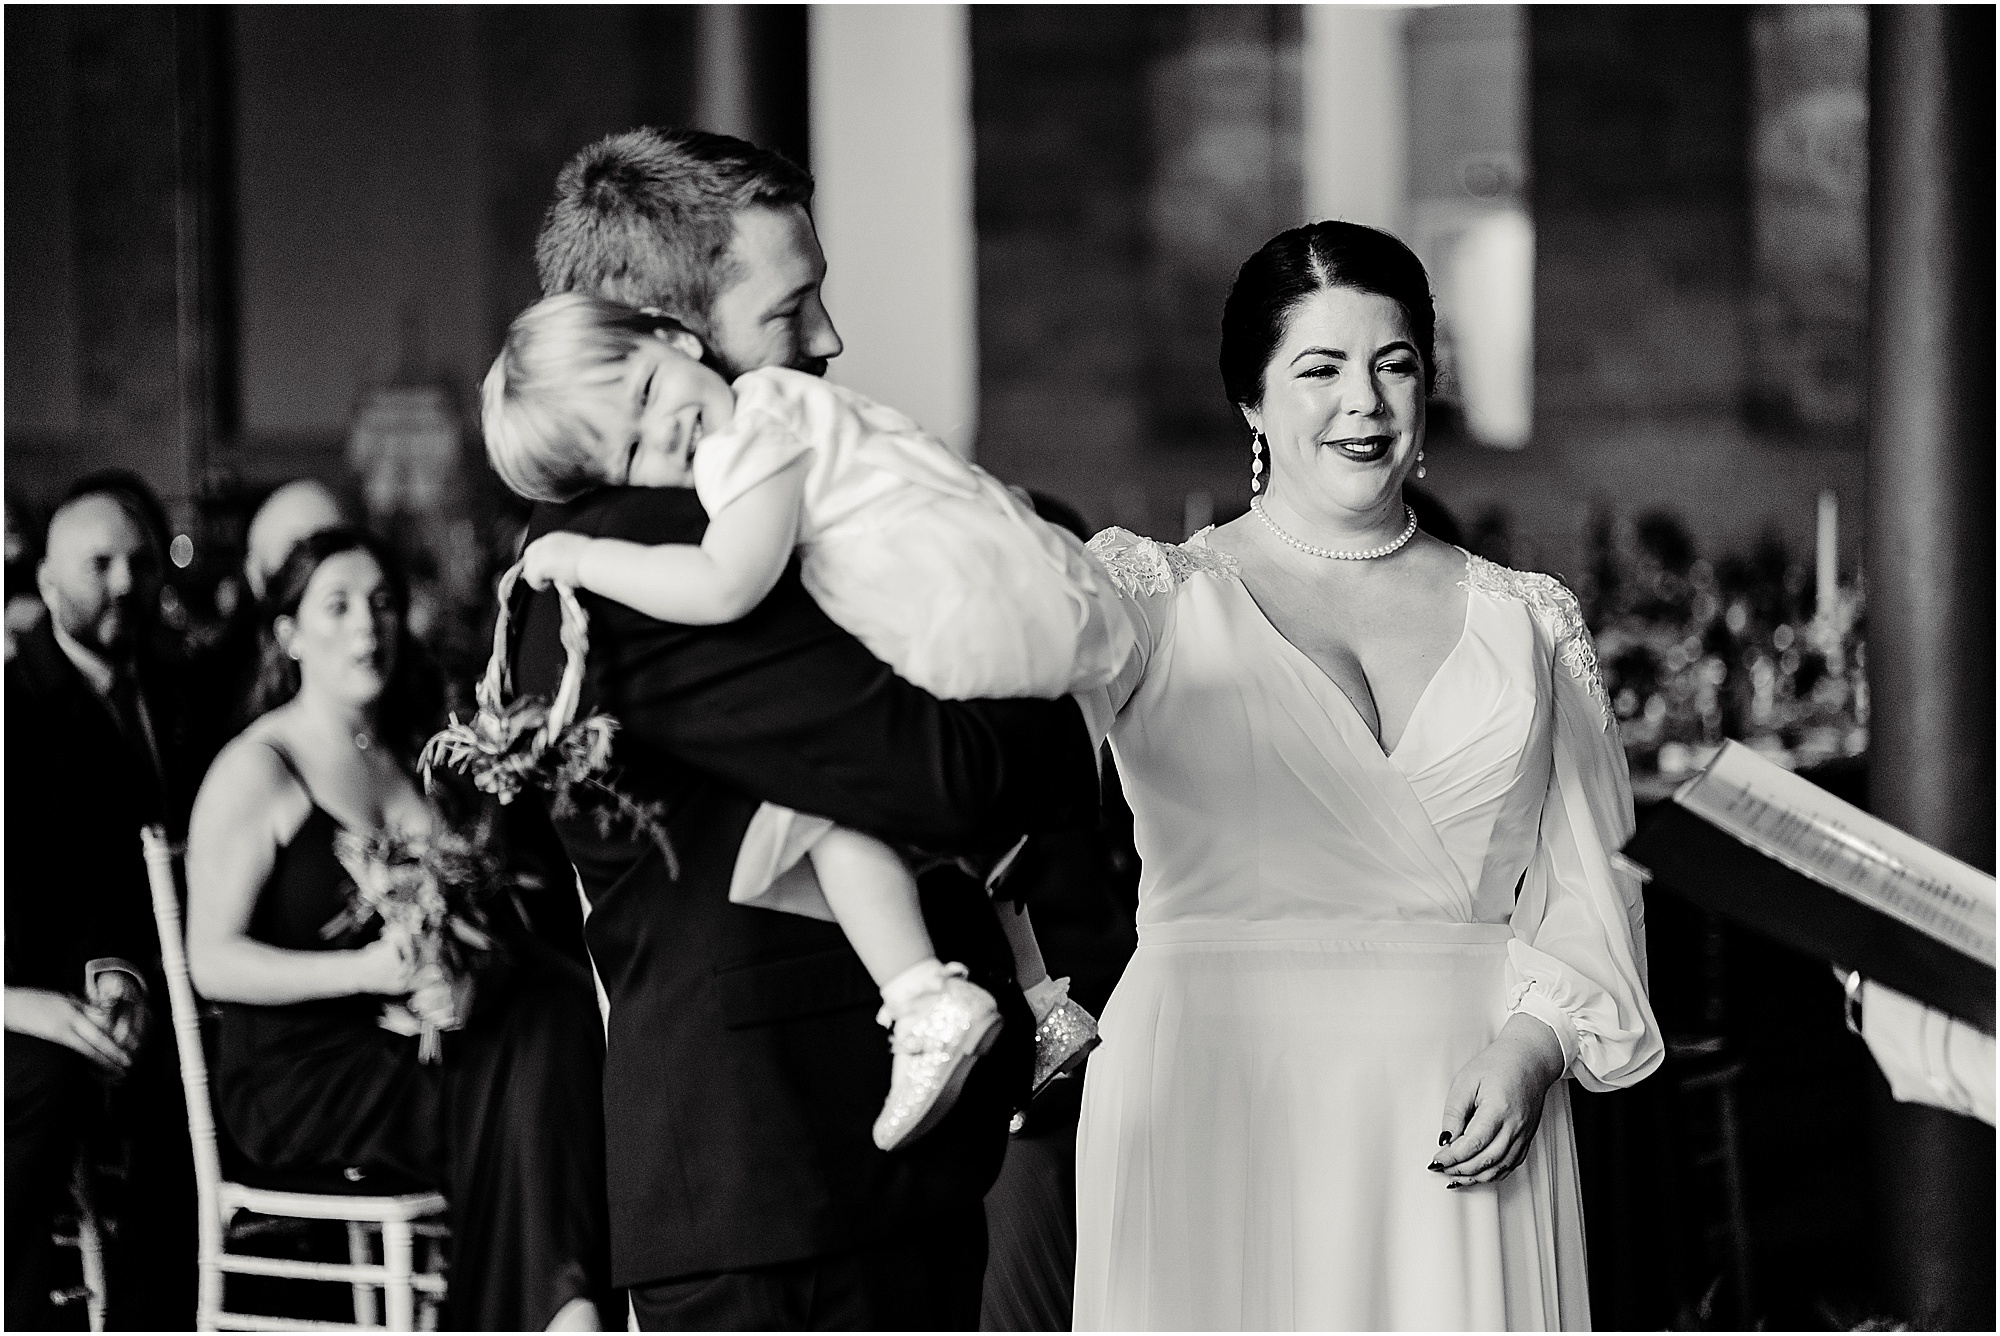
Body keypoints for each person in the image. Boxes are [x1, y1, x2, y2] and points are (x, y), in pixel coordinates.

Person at [515, 125, 1102, 1329]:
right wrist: (1039, 717)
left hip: (879, 1174)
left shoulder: (762, 510)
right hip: (767, 1186)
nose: (828, 338)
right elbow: (939, 775)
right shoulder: (631, 569)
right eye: (792, 308)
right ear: (662, 336)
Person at [1070, 221, 1664, 1330]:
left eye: (1394, 365)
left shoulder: (1527, 618)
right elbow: (978, 756)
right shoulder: (1147, 595)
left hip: (1468, 1096)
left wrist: (1536, 1047)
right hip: (1217, 1088)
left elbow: (1597, 882)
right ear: (1249, 399)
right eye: (1319, 368)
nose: (1365, 402)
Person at [484, 292, 1115, 1149]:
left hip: (951, 615)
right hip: (998, 601)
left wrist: (586, 556)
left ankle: (924, 994)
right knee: (856, 800)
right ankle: (1037, 999)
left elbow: (725, 584)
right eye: (629, 451)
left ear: (674, 336)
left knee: (823, 801)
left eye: (643, 395)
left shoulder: (749, 435)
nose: (663, 435)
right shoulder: (787, 410)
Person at [184, 527, 611, 1331]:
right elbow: (212, 962)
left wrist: (457, 971)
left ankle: (556, 1302)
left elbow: (468, 920)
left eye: (380, 604)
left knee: (548, 999)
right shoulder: (257, 765)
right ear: (288, 633)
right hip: (302, 1071)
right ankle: (562, 1303)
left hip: (420, 1043)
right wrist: (368, 973)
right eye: (337, 606)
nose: (364, 626)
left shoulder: (407, 753)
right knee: (529, 1058)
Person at [5, 484, 198, 1329]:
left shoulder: (183, 685)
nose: (127, 582)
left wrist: (125, 976)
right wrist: (50, 997)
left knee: (184, 1083)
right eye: (101, 564)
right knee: (49, 1087)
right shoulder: (15, 707)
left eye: (141, 561)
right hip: (31, 987)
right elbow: (45, 881)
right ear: (46, 583)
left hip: (160, 976)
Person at [189, 479, 349, 774]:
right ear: (254, 574)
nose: (321, 576)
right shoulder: (214, 684)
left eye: (334, 552)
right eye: (296, 559)